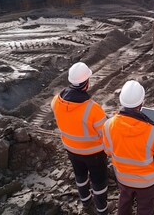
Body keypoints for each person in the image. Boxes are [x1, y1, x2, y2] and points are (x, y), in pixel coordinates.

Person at [103, 80, 154, 215]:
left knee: (124, 202)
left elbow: (108, 151)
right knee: (145, 208)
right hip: (147, 183)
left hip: (123, 178)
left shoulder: (108, 125)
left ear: (122, 102)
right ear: (141, 104)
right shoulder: (153, 132)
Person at [51, 62, 109, 215]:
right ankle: (102, 210)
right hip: (94, 154)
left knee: (80, 176)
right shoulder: (92, 108)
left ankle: (86, 202)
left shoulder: (56, 100)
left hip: (71, 149)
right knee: (98, 182)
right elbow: (105, 132)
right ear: (87, 83)